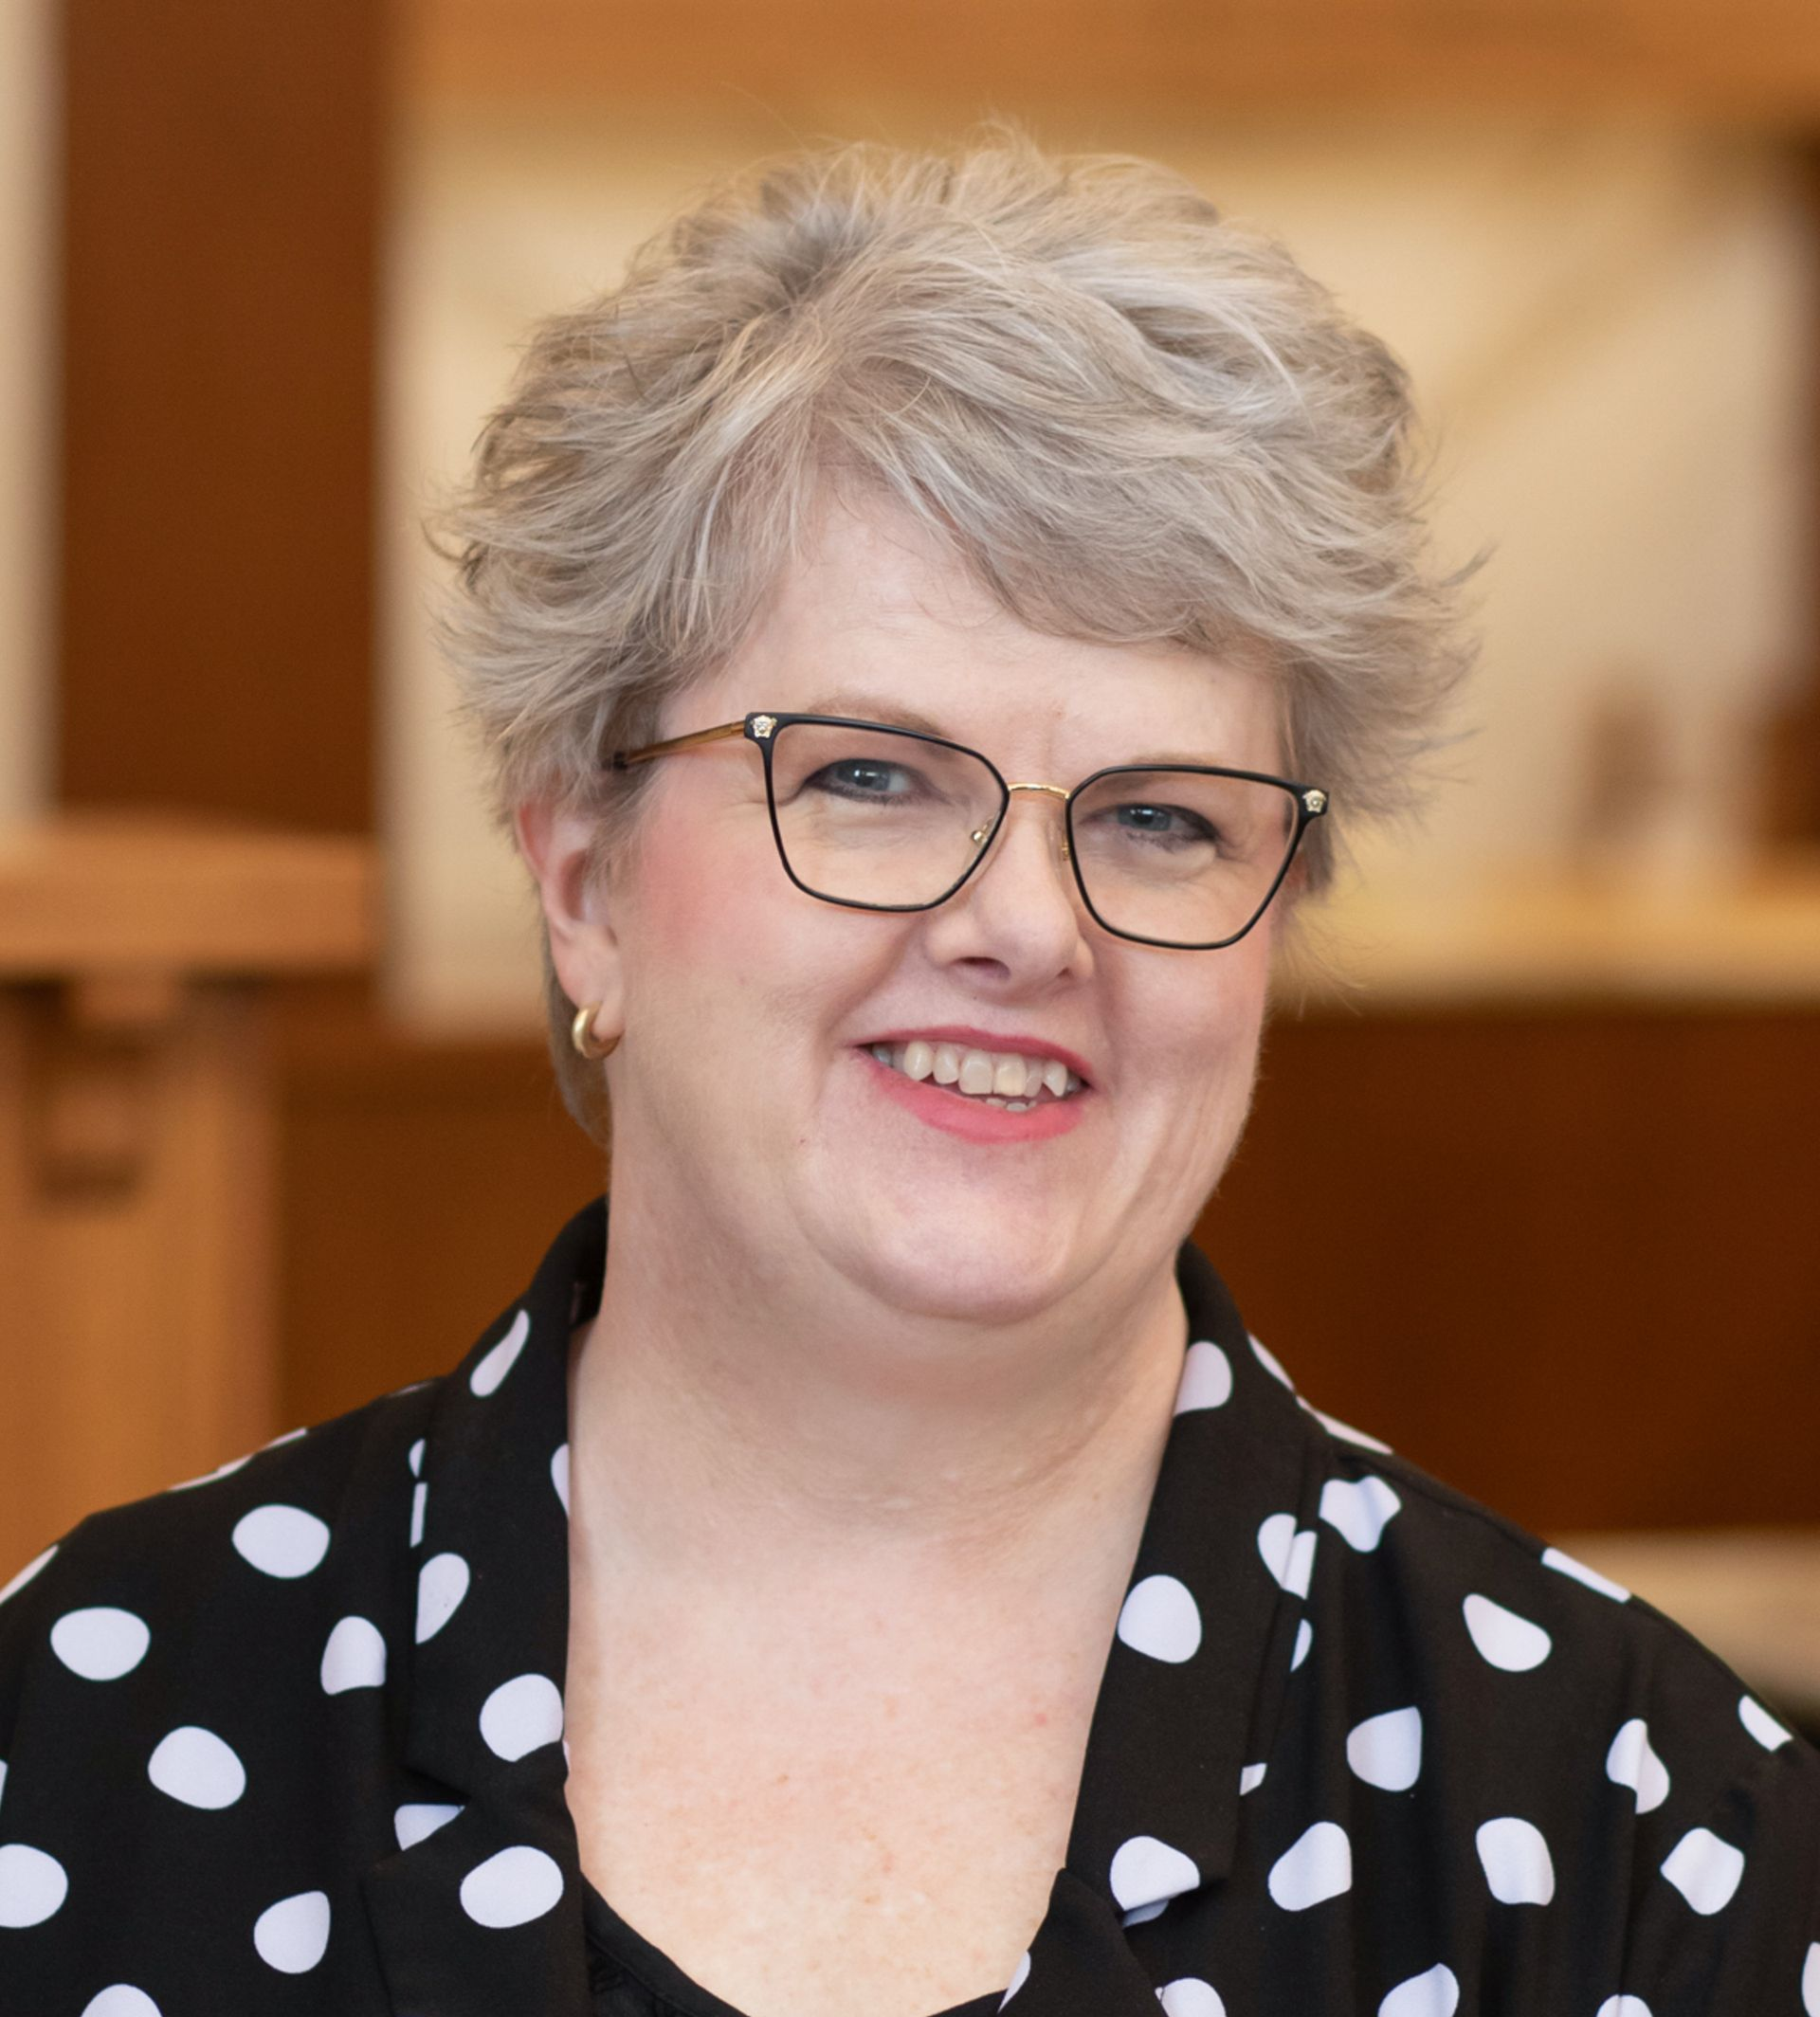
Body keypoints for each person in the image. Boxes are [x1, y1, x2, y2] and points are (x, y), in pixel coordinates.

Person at [2, 134, 1816, 2017]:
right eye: (869, 774)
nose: (1029, 925)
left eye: (1167, 818)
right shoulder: (89, 1720)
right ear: (582, 877)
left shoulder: (1637, 1826)